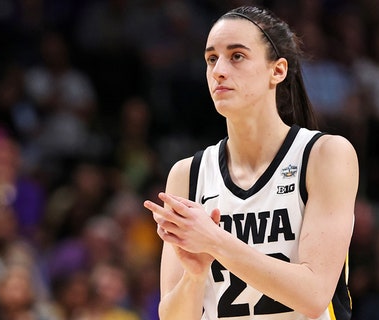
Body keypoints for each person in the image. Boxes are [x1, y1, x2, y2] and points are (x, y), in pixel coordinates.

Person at [143, 6, 359, 320]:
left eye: (237, 56)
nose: (218, 70)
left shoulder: (325, 155)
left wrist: (215, 242)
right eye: (211, 58)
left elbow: (314, 296)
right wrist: (195, 274)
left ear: (278, 71)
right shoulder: (188, 174)